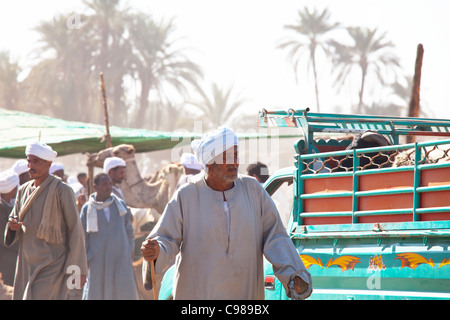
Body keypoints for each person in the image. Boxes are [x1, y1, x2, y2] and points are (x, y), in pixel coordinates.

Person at [141, 126, 312, 300]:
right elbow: (165, 239)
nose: (234, 162)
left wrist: (294, 275)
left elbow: (275, 236)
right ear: (209, 162)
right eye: (227, 157)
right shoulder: (187, 195)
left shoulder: (253, 190)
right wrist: (156, 251)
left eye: (236, 156)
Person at [4, 142, 87, 300]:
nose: (31, 165)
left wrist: (77, 269)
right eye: (29, 161)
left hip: (52, 265)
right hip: (26, 264)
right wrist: (12, 226)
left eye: (36, 161)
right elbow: (13, 222)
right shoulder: (23, 191)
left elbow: (75, 230)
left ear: (49, 164)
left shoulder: (62, 191)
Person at [79, 173, 137, 300]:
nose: (108, 187)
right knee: (97, 293)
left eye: (110, 184)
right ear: (95, 186)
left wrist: (130, 249)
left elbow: (129, 230)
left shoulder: (120, 205)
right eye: (104, 184)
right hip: (97, 260)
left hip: (120, 257)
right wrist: (87, 257)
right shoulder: (87, 209)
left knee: (122, 292)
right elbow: (82, 237)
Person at [0, 170, 20, 286]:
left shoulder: (7, 206)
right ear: (12, 189)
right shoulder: (2, 208)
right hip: (6, 261)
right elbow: (4, 238)